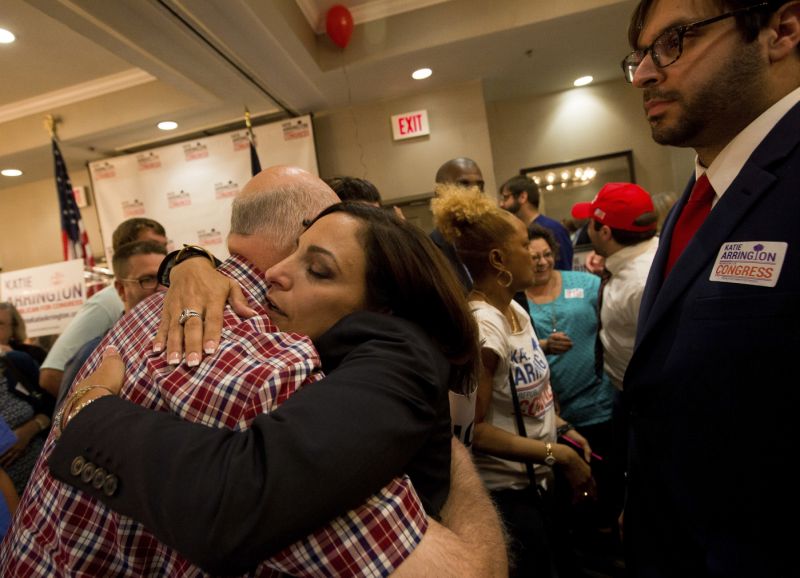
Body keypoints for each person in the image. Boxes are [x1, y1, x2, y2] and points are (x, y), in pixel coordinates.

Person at [1, 166, 505, 577]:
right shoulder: (274, 368)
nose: (278, 274)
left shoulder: (148, 312)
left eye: (319, 265)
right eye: (302, 250)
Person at [620, 1, 800, 576]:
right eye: (641, 56)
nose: (645, 74)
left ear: (781, 31)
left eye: (675, 41)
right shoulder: (701, 191)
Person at [432, 184, 595, 578]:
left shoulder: (516, 311)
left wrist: (564, 429)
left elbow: (528, 398)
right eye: (525, 245)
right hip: (509, 498)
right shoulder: (484, 328)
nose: (537, 255)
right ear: (498, 258)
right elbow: (476, 431)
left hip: (538, 483)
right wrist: (561, 455)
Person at [525, 224, 620, 570]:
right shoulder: (516, 299)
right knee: (566, 492)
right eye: (533, 257)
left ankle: (610, 552)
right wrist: (544, 345)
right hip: (551, 414)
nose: (541, 262)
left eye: (547, 255)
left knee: (604, 484)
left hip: (597, 402)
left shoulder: (587, 284)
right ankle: (580, 558)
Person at [38, 217, 167, 397]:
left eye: (164, 245)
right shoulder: (105, 303)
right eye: (152, 244)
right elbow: (51, 375)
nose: (164, 252)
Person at [0, 303, 53, 495]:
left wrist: (29, 430)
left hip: (42, 481)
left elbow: (54, 405)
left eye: (0, 324)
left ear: (14, 328)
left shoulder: (23, 359)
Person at [429, 157, 485, 291]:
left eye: (480, 186)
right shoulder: (428, 251)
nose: (474, 192)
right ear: (439, 193)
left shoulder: (494, 240)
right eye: (464, 185)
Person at [499, 175, 574, 270]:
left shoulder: (554, 229)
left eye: (506, 198)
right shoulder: (517, 231)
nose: (501, 204)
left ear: (522, 197)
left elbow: (564, 272)